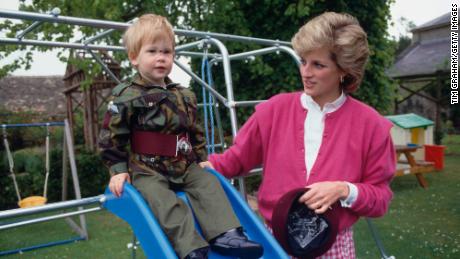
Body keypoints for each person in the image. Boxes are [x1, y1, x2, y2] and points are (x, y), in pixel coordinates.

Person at [200, 11, 396, 258]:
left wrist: (343, 189)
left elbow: (380, 199)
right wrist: (197, 166)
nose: (305, 72)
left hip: (333, 247)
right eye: (304, 61)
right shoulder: (273, 110)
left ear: (344, 71)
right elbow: (235, 160)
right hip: (274, 243)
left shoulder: (372, 126)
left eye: (318, 65)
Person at [98, 14, 263, 259]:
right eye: (152, 51)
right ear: (134, 57)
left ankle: (226, 234)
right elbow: (112, 136)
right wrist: (118, 169)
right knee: (162, 200)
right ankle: (191, 247)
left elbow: (194, 131)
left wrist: (200, 157)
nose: (161, 57)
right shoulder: (127, 95)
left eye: (167, 51)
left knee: (209, 183)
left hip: (183, 164)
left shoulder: (184, 95)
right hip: (147, 168)